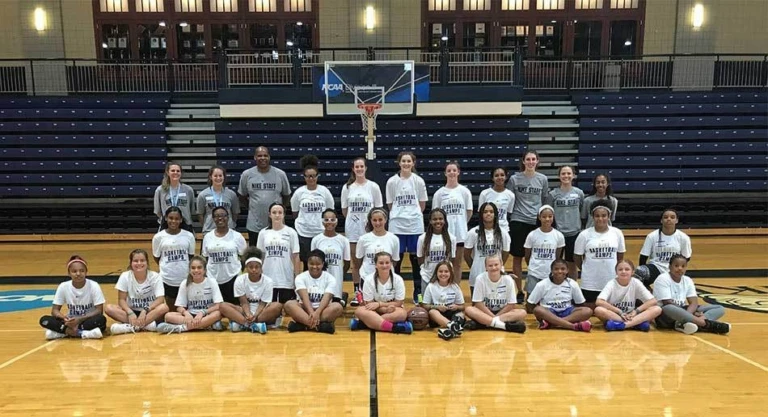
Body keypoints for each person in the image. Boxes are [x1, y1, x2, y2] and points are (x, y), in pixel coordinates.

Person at [506, 150, 549, 303]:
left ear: (537, 161)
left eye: (533, 159)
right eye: (528, 159)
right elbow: (509, 199)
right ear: (523, 161)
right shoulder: (514, 179)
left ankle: (535, 289)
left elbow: (544, 200)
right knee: (517, 257)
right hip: (518, 220)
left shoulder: (543, 179)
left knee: (534, 258)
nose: (531, 162)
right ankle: (518, 291)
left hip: (535, 222)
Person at [340, 157, 383, 306]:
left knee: (371, 260)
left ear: (365, 168)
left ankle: (374, 292)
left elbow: (378, 209)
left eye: (361, 166)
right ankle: (358, 293)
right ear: (353, 169)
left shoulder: (373, 187)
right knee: (356, 262)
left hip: (370, 230)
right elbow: (345, 210)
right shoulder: (347, 187)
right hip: (352, 229)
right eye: (356, 167)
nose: (359, 169)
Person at [386, 152, 428, 302]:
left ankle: (418, 291)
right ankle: (394, 291)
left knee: (416, 259)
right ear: (399, 163)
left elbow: (422, 204)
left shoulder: (418, 181)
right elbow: (390, 204)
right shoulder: (391, 182)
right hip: (397, 225)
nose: (406, 163)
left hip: (415, 225)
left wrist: (412, 214)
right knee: (395, 260)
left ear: (413, 163)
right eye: (403, 161)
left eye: (408, 161)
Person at [653, 254, 730, 335]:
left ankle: (684, 324)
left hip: (685, 311)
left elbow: (693, 302)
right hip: (667, 314)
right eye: (676, 265)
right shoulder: (663, 278)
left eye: (683, 266)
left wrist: (688, 314)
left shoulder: (687, 280)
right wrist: (691, 314)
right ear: (669, 266)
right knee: (668, 308)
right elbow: (667, 302)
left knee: (719, 308)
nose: (680, 268)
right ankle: (706, 324)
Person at [39, 255, 106, 340]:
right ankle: (80, 333)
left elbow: (99, 311)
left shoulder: (93, 285)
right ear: (69, 273)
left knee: (101, 320)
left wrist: (79, 319)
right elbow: (54, 310)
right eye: (74, 271)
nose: (78, 274)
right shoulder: (63, 286)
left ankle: (63, 333)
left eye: (82, 271)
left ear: (86, 272)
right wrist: (64, 318)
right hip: (69, 321)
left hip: (87, 319)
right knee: (44, 320)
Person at [574, 200, 626, 308]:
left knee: (612, 306)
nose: (600, 219)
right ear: (592, 217)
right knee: (589, 308)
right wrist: (585, 268)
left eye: (604, 215)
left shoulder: (617, 233)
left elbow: (620, 257)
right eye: (597, 216)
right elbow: (577, 257)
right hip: (590, 282)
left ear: (609, 216)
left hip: (610, 278)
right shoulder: (584, 235)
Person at [219, 247, 282, 334]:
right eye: (251, 267)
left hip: (261, 312)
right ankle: (252, 326)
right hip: (245, 311)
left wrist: (255, 315)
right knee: (222, 306)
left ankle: (243, 324)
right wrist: (248, 314)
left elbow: (263, 303)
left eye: (257, 267)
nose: (254, 270)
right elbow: (244, 302)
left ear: (261, 268)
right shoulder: (240, 280)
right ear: (246, 268)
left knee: (277, 306)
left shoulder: (268, 281)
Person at [106, 249, 169, 334]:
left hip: (149, 312)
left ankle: (130, 327)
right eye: (136, 261)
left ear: (147, 263)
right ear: (131, 263)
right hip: (131, 311)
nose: (139, 263)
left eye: (142, 260)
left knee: (164, 307)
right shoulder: (125, 276)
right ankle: (146, 326)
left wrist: (145, 310)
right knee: (109, 308)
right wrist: (130, 313)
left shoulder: (155, 276)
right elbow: (121, 300)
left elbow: (160, 299)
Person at [238, 146, 291, 246]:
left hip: (276, 223)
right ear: (255, 157)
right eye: (260, 156)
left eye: (265, 155)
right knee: (256, 256)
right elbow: (242, 196)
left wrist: (279, 209)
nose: (263, 158)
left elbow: (287, 196)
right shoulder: (247, 174)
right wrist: (253, 207)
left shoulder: (280, 174)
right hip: (254, 225)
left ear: (269, 157)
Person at [350, 252, 413, 334]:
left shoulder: (398, 279)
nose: (384, 266)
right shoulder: (369, 280)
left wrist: (380, 304)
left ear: (391, 264)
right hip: (374, 311)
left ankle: (365, 324)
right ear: (375, 265)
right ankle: (394, 328)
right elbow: (369, 304)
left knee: (402, 313)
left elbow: (398, 302)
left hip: (393, 309)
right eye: (381, 263)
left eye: (387, 263)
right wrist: (385, 309)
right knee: (359, 311)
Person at [157, 256, 224, 334]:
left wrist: (203, 312)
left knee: (218, 314)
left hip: (206, 314)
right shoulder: (185, 283)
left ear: (204, 270)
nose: (196, 270)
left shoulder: (212, 282)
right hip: (191, 315)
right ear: (189, 270)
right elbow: (179, 307)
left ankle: (182, 328)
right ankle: (205, 325)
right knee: (168, 316)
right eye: (193, 268)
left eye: (199, 267)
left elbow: (218, 305)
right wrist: (186, 314)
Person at [284, 250, 345, 334]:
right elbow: (304, 298)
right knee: (289, 305)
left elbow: (327, 298)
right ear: (307, 264)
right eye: (311, 264)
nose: (314, 267)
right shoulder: (300, 277)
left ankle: (304, 325)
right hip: (304, 309)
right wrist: (312, 312)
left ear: (323, 264)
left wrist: (317, 313)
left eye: (318, 264)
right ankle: (319, 326)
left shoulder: (330, 278)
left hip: (322, 310)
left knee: (338, 307)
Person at [291, 155, 335, 270]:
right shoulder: (299, 193)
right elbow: (295, 213)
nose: (311, 179)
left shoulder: (324, 191)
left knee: (321, 262)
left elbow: (330, 213)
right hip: (304, 233)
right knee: (307, 263)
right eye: (308, 176)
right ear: (304, 177)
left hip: (320, 232)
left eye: (313, 176)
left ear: (317, 176)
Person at [432, 161, 473, 283]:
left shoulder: (465, 191)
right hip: (445, 234)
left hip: (460, 233)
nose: (452, 173)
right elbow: (435, 214)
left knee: (457, 264)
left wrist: (461, 223)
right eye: (449, 170)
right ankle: (442, 288)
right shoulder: (439, 193)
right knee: (443, 263)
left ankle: (455, 289)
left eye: (454, 170)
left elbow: (469, 211)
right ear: (445, 173)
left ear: (458, 172)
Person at [464, 255, 527, 333]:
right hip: (485, 312)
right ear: (486, 267)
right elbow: (478, 303)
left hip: (503, 313)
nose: (493, 268)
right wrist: (492, 316)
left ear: (501, 265)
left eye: (496, 265)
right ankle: (504, 326)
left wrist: (495, 318)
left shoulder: (508, 280)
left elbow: (511, 304)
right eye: (490, 265)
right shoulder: (480, 279)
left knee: (522, 313)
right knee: (468, 310)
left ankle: (485, 323)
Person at [526, 259, 593, 332]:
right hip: (549, 312)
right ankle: (572, 326)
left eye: (563, 269)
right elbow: (530, 304)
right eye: (556, 269)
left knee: (587, 311)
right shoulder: (541, 284)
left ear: (567, 270)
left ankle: (553, 324)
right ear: (551, 271)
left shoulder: (573, 283)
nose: (560, 271)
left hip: (567, 312)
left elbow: (580, 304)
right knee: (538, 310)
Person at [594, 260, 662, 331]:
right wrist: (619, 312)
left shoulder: (636, 282)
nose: (623, 271)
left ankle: (622, 325)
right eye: (620, 269)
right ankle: (636, 324)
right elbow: (599, 301)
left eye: (627, 269)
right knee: (598, 310)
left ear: (632, 272)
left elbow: (653, 301)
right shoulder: (611, 283)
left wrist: (636, 311)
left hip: (632, 314)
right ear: (616, 272)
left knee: (657, 309)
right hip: (616, 314)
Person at [257, 203, 301, 310]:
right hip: (267, 276)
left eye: (280, 212)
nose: (277, 215)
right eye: (274, 212)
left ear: (284, 215)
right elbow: (260, 257)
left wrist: (297, 278)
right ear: (269, 215)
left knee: (287, 309)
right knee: (269, 309)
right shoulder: (263, 233)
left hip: (286, 278)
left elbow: (296, 257)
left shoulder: (291, 232)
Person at [201, 206, 247, 305]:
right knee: (216, 307)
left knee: (233, 308)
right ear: (213, 219)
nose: (220, 218)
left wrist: (237, 271)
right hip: (213, 278)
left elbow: (244, 257)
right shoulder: (207, 237)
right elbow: (205, 257)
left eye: (223, 215)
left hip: (232, 278)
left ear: (228, 217)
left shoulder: (237, 236)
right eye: (217, 216)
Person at [152, 206, 196, 310]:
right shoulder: (158, 237)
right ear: (166, 218)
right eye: (171, 218)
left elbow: (190, 257)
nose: (173, 221)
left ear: (181, 220)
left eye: (177, 219)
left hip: (184, 278)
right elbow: (157, 257)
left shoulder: (189, 236)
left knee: (185, 310)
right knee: (171, 310)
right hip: (167, 279)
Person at [523, 205, 565, 312]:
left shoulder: (558, 235)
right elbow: (527, 255)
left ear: (553, 217)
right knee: (529, 307)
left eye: (550, 216)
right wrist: (533, 267)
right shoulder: (532, 235)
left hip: (549, 274)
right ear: (539, 217)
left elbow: (557, 256)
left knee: (548, 304)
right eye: (544, 216)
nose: (547, 219)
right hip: (534, 272)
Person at [637, 209, 693, 287]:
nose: (669, 219)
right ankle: (647, 293)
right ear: (661, 220)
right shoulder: (652, 236)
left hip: (673, 269)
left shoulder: (684, 237)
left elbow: (686, 258)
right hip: (656, 267)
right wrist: (643, 274)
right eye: (666, 217)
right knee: (639, 272)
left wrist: (677, 268)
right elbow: (643, 257)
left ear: (676, 220)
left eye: (672, 217)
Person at [546, 165, 584, 279]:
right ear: (559, 176)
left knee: (572, 264)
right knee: (555, 263)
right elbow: (549, 213)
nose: (566, 176)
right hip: (558, 234)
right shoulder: (553, 194)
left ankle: (572, 290)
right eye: (563, 173)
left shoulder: (579, 193)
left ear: (573, 175)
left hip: (574, 233)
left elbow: (582, 212)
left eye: (568, 173)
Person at [465, 202, 511, 295]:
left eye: (491, 211)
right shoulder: (473, 232)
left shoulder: (503, 233)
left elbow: (505, 252)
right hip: (477, 273)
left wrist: (498, 266)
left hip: (496, 273)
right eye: (485, 212)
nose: (488, 214)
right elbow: (466, 254)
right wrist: (475, 265)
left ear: (495, 214)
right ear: (481, 214)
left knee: (497, 304)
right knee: (476, 306)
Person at [355, 208, 400, 295]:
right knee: (366, 307)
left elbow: (394, 260)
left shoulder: (393, 238)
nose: (377, 223)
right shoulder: (363, 239)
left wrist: (384, 270)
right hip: (367, 277)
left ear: (385, 220)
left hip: (387, 279)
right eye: (374, 220)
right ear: (370, 221)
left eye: (380, 220)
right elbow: (358, 260)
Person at [311, 209, 351, 306]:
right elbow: (312, 262)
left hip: (336, 282)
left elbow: (347, 263)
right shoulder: (316, 240)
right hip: (321, 282)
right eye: (326, 219)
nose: (329, 222)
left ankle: (342, 296)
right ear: (322, 221)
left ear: (336, 221)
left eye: (332, 220)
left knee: (335, 306)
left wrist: (339, 273)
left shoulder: (343, 240)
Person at [417, 208, 457, 298]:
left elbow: (452, 259)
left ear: (445, 220)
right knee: (425, 304)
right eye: (435, 219)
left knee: (444, 303)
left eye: (440, 219)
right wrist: (426, 271)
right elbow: (420, 258)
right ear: (430, 221)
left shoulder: (452, 238)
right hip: (427, 277)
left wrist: (444, 273)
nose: (438, 221)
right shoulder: (422, 238)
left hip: (444, 278)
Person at [421, 261, 465, 340]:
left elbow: (462, 306)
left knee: (461, 314)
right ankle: (452, 326)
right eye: (440, 271)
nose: (443, 274)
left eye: (446, 271)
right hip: (437, 315)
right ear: (436, 273)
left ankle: (447, 331)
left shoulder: (455, 286)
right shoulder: (431, 286)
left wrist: (456, 306)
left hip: (451, 313)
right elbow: (425, 305)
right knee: (432, 312)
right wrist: (437, 307)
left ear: (450, 273)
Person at [197, 165, 240, 234]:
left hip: (228, 230)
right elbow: (200, 215)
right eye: (215, 176)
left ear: (224, 177)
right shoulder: (203, 195)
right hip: (209, 230)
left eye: (220, 176)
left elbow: (235, 213)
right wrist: (207, 225)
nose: (218, 178)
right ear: (211, 177)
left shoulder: (231, 194)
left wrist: (230, 224)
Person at [153, 161, 195, 231]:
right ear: (167, 172)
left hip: (185, 225)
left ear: (181, 173)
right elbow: (158, 211)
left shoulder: (188, 190)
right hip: (167, 225)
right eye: (173, 170)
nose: (175, 173)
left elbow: (191, 210)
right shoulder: (160, 190)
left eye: (178, 171)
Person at [478, 167, 516, 234]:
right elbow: (481, 213)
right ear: (492, 178)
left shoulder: (511, 195)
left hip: (504, 230)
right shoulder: (484, 193)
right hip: (487, 230)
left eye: (502, 175)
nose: (499, 177)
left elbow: (508, 213)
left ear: (506, 177)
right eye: (496, 175)